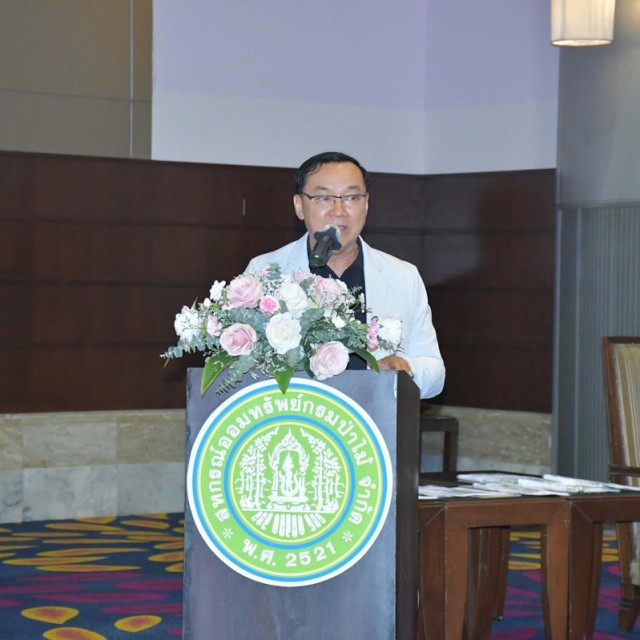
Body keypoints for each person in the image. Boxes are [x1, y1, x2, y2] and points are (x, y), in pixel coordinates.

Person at [245, 151, 445, 399]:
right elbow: (242, 367)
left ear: (366, 204)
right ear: (299, 206)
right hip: (293, 415)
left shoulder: (403, 276)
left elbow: (435, 371)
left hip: (373, 418)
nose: (339, 210)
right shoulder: (264, 272)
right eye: (324, 197)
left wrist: (407, 368)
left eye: (351, 197)